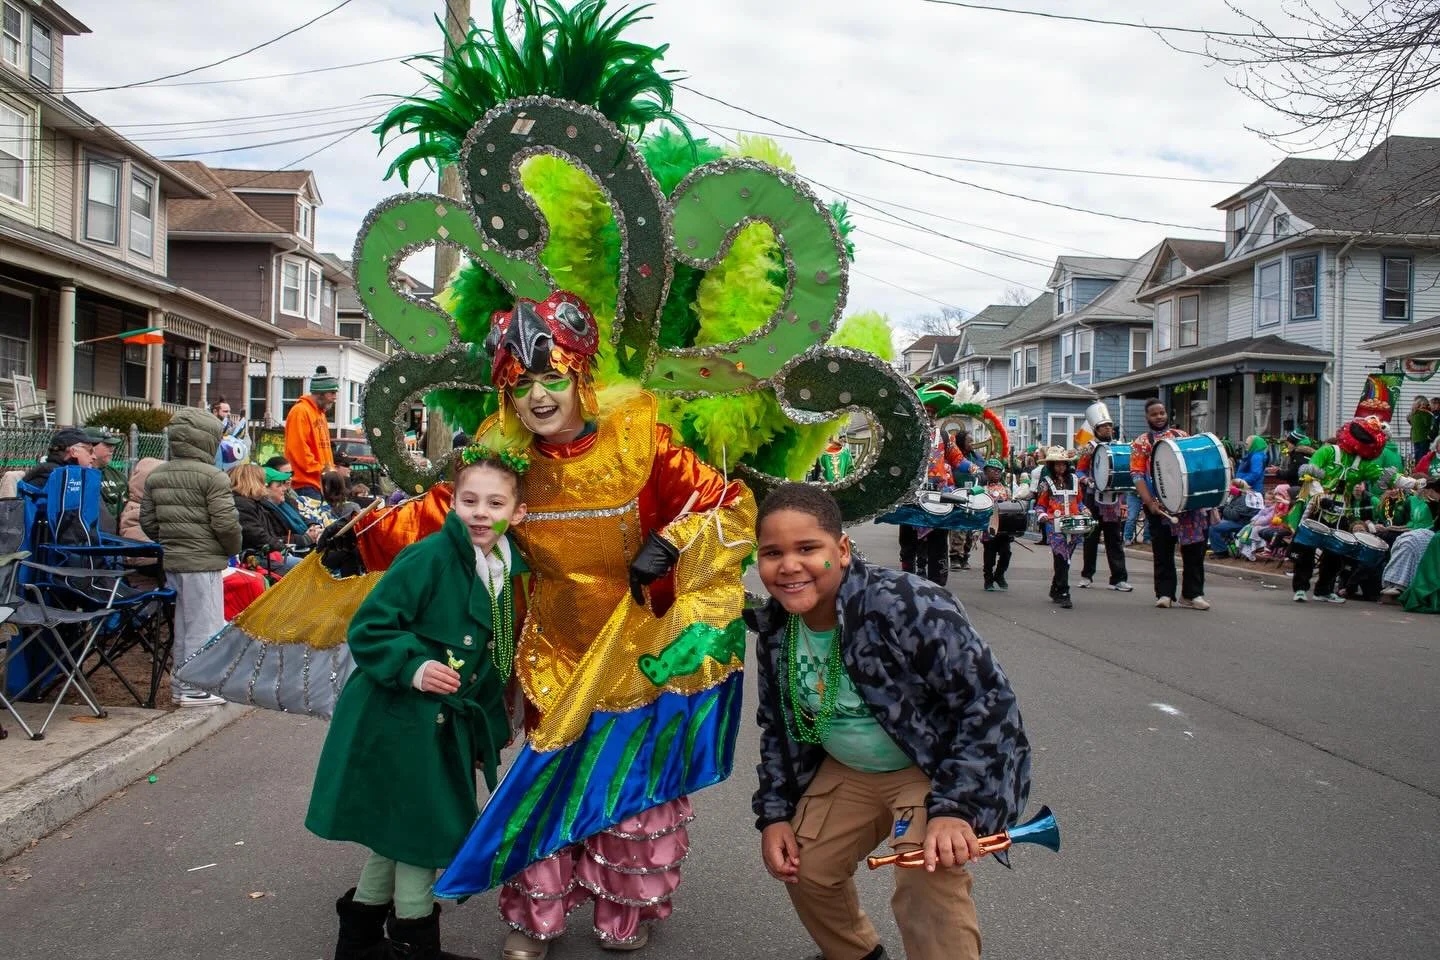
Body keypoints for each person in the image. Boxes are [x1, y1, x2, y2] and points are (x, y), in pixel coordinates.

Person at [470, 292, 753, 958]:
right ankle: (533, 920)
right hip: (554, 654)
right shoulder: (504, 460)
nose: (538, 397)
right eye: (520, 385)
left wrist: (673, 541)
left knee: (630, 790)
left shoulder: (641, 444)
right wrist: (359, 546)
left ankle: (624, 915)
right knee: (549, 785)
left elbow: (729, 505)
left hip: (636, 654)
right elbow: (448, 516)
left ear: (580, 376)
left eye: (551, 378)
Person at [747, 483, 1030, 960]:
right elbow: (778, 726)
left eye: (807, 548)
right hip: (849, 769)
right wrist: (774, 814)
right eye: (772, 552)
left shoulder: (907, 603)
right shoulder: (775, 628)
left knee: (926, 873)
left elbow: (988, 704)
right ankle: (857, 953)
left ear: (841, 549)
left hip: (927, 765)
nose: (789, 566)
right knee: (807, 866)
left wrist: (955, 809)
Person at [306, 445, 530, 960]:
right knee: (420, 832)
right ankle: (414, 938)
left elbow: (495, 657)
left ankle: (359, 937)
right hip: (398, 716)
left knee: (401, 827)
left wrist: (488, 730)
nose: (481, 513)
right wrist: (414, 666)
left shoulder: (506, 566)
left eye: (495, 504)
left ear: (517, 513)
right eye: (469, 500)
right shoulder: (428, 557)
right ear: (452, 503)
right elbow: (372, 626)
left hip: (445, 724)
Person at [139, 408, 241, 707]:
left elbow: (148, 521)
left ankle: (183, 685)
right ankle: (196, 688)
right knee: (204, 625)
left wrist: (169, 541)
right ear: (207, 440)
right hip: (204, 561)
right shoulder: (213, 477)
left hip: (174, 559)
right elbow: (225, 523)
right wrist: (231, 548)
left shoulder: (158, 474)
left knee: (184, 625)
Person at [1288, 415, 1389, 604]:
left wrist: (1413, 483)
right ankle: (1301, 588)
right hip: (1318, 505)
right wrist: (1323, 498)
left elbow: (1384, 476)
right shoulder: (1328, 451)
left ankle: (1324, 590)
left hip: (1342, 510)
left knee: (1336, 551)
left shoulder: (1363, 463)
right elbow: (1310, 474)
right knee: (1307, 548)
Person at [1130, 398, 1211, 610]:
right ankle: (1165, 593)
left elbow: (1195, 465)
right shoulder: (1141, 442)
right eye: (1154, 414)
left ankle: (1193, 594)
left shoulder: (1182, 436)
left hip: (1187, 505)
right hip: (1159, 504)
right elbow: (1137, 475)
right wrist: (1149, 502)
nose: (1159, 417)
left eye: (1162, 413)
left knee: (1193, 550)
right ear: (1147, 417)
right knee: (1163, 550)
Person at [1076, 414, 1131, 592]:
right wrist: (1087, 481)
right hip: (1093, 498)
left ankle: (1119, 578)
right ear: (1096, 430)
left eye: (1110, 425)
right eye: (1103, 426)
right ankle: (1087, 575)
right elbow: (1079, 471)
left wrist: (1123, 501)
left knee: (1114, 539)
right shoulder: (1089, 448)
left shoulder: (1118, 447)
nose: (1108, 428)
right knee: (1090, 538)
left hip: (1112, 500)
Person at [1034, 446, 1088, 609]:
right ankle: (1064, 592)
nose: (1060, 467)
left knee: (1066, 560)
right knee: (1061, 557)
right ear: (1051, 465)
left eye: (1063, 464)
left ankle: (1055, 587)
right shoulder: (1046, 482)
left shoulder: (1074, 480)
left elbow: (1079, 502)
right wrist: (1042, 515)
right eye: (1056, 464)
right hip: (1054, 526)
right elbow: (1040, 505)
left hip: (1073, 524)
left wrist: (1085, 511)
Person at [231, 464, 301, 577]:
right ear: (252, 482)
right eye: (262, 481)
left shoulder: (252, 503)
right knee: (301, 567)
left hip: (261, 554)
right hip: (254, 557)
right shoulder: (243, 504)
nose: (265, 485)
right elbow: (257, 536)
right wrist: (281, 547)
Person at [284, 366, 338, 500]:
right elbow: (298, 449)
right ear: (320, 393)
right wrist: (323, 471)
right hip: (305, 485)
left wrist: (330, 472)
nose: (334, 397)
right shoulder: (300, 411)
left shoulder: (320, 414)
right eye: (331, 393)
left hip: (320, 483)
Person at [980, 458, 1015, 591]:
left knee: (1006, 553)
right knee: (989, 557)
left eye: (998, 470)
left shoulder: (1006, 489)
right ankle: (988, 580)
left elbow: (1012, 506)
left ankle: (999, 575)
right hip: (988, 527)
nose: (996, 472)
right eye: (992, 470)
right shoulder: (982, 489)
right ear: (986, 472)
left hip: (1004, 528)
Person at [22, 426, 94, 488]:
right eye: (90, 451)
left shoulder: (69, 477)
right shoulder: (49, 481)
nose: (94, 456)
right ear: (73, 451)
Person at [1208, 479, 1263, 557]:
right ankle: (1220, 547)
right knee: (1216, 523)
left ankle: (1221, 551)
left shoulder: (1244, 498)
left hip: (1244, 523)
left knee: (1214, 527)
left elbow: (1233, 515)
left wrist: (1225, 507)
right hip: (1241, 521)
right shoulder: (1245, 495)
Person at [86, 428, 126, 534]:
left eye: (112, 445)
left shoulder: (118, 476)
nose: (112, 449)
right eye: (107, 445)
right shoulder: (78, 475)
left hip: (117, 535)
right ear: (91, 446)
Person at [1409, 396, 1434, 464]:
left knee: (1417, 455)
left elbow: (1410, 422)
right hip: (1423, 437)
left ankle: (1417, 469)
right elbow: (1427, 423)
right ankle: (1422, 469)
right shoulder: (1424, 414)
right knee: (1423, 456)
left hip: (1415, 438)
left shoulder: (1413, 414)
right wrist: (1428, 413)